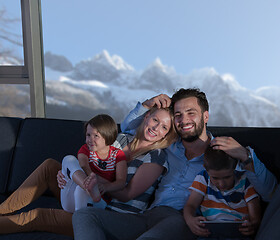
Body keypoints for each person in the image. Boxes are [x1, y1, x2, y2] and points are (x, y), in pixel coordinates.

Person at [0, 106, 177, 237]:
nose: (157, 128)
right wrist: (71, 176)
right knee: (50, 166)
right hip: (86, 196)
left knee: (38, 216)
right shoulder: (120, 139)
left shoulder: (157, 156)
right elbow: (87, 158)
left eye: (165, 127)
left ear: (167, 134)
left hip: (109, 215)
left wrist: (89, 180)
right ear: (146, 118)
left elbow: (127, 192)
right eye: (155, 120)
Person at [72, 88, 278, 240]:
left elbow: (270, 192)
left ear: (205, 116)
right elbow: (128, 129)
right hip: (146, 215)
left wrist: (246, 156)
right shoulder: (167, 145)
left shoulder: (222, 154)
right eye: (178, 115)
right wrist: (146, 105)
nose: (183, 119)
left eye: (191, 113)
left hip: (182, 220)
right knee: (84, 216)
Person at [183, 145, 261, 238]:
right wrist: (190, 220)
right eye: (215, 178)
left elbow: (255, 215)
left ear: (235, 168)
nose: (221, 184)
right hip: (209, 233)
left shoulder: (245, 181)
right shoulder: (203, 178)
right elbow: (190, 205)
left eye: (227, 177)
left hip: (238, 234)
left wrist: (251, 223)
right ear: (206, 169)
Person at [60, 114, 127, 213]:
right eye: (88, 135)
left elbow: (121, 182)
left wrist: (105, 187)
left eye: (96, 136)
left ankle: (80, 216)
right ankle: (87, 187)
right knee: (68, 159)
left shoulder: (118, 155)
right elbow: (84, 166)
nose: (90, 139)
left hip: (99, 201)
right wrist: (91, 180)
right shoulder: (85, 150)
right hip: (70, 200)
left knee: (80, 189)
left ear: (108, 136)